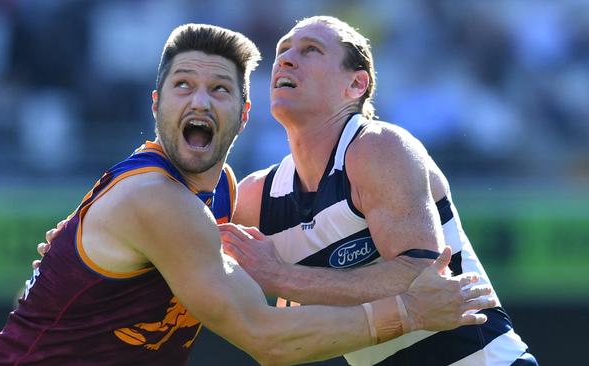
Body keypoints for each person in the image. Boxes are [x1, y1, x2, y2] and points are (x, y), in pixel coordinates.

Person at [0, 23, 495, 366]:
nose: (201, 99)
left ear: (243, 113)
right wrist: (408, 313)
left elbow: (417, 271)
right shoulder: (159, 198)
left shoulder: (229, 196)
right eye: (183, 85)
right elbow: (267, 334)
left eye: (221, 89)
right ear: (156, 104)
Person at [219, 16, 537, 365]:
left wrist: (283, 278)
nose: (286, 59)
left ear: (356, 84)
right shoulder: (254, 196)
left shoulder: (379, 147)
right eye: (282, 51)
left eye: (311, 49)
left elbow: (419, 275)